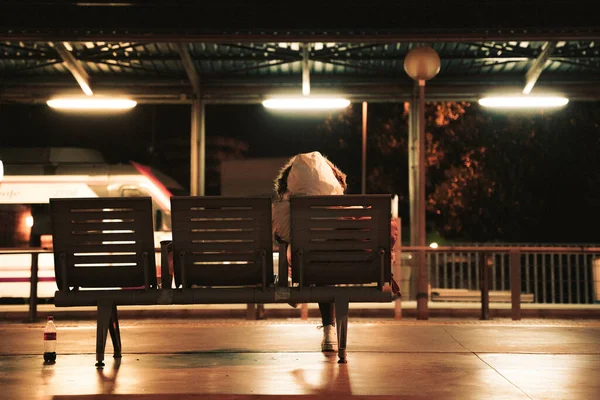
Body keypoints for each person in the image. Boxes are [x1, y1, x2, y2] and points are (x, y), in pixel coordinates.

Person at [272, 151, 400, 352]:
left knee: (297, 248)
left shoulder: (290, 204)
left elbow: (280, 233)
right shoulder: (342, 206)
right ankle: (330, 333)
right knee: (325, 259)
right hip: (340, 267)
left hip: (304, 265)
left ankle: (292, 286)